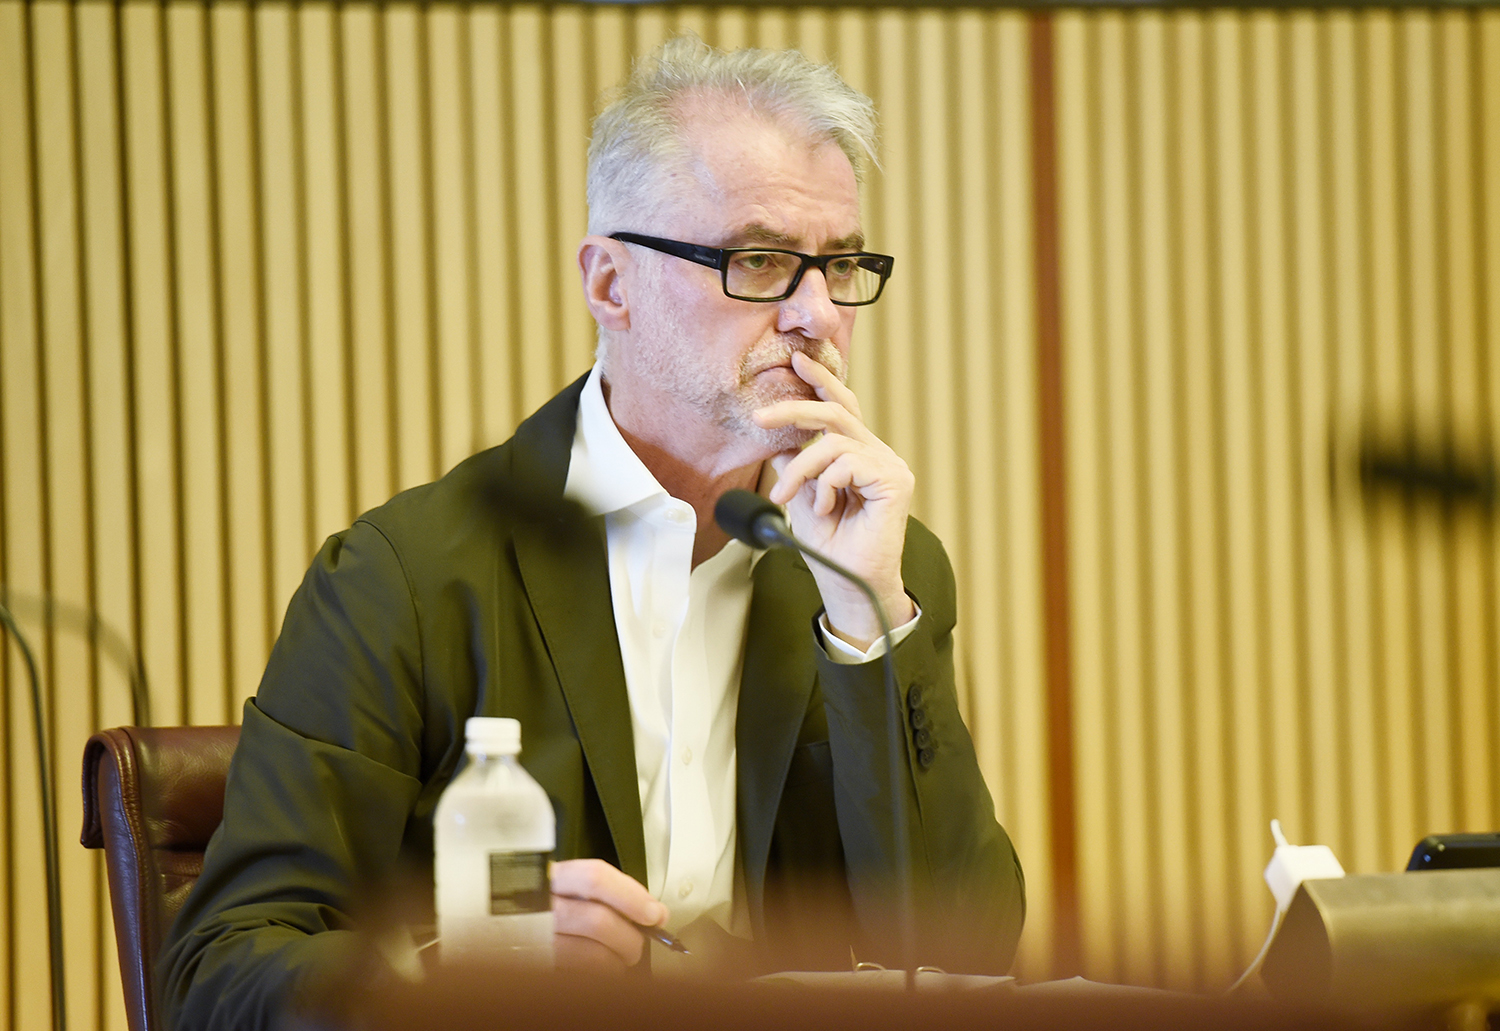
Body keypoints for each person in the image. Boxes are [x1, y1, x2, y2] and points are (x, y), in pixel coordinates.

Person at [160, 35, 1025, 1031]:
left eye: (840, 266)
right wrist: (462, 964)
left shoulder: (875, 564)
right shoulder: (404, 579)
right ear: (611, 284)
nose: (818, 316)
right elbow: (218, 973)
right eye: (759, 260)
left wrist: (868, 627)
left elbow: (970, 958)